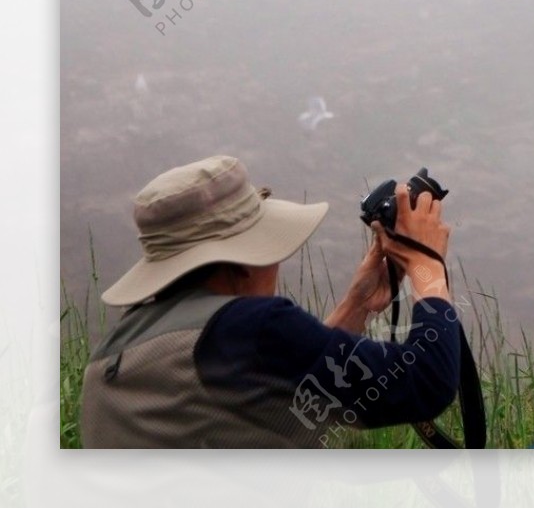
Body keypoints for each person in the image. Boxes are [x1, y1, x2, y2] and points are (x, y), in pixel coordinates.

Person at [79, 154, 460, 448]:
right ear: (244, 263)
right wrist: (426, 264)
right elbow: (428, 381)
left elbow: (298, 395)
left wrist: (357, 304)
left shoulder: (115, 353)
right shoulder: (250, 327)